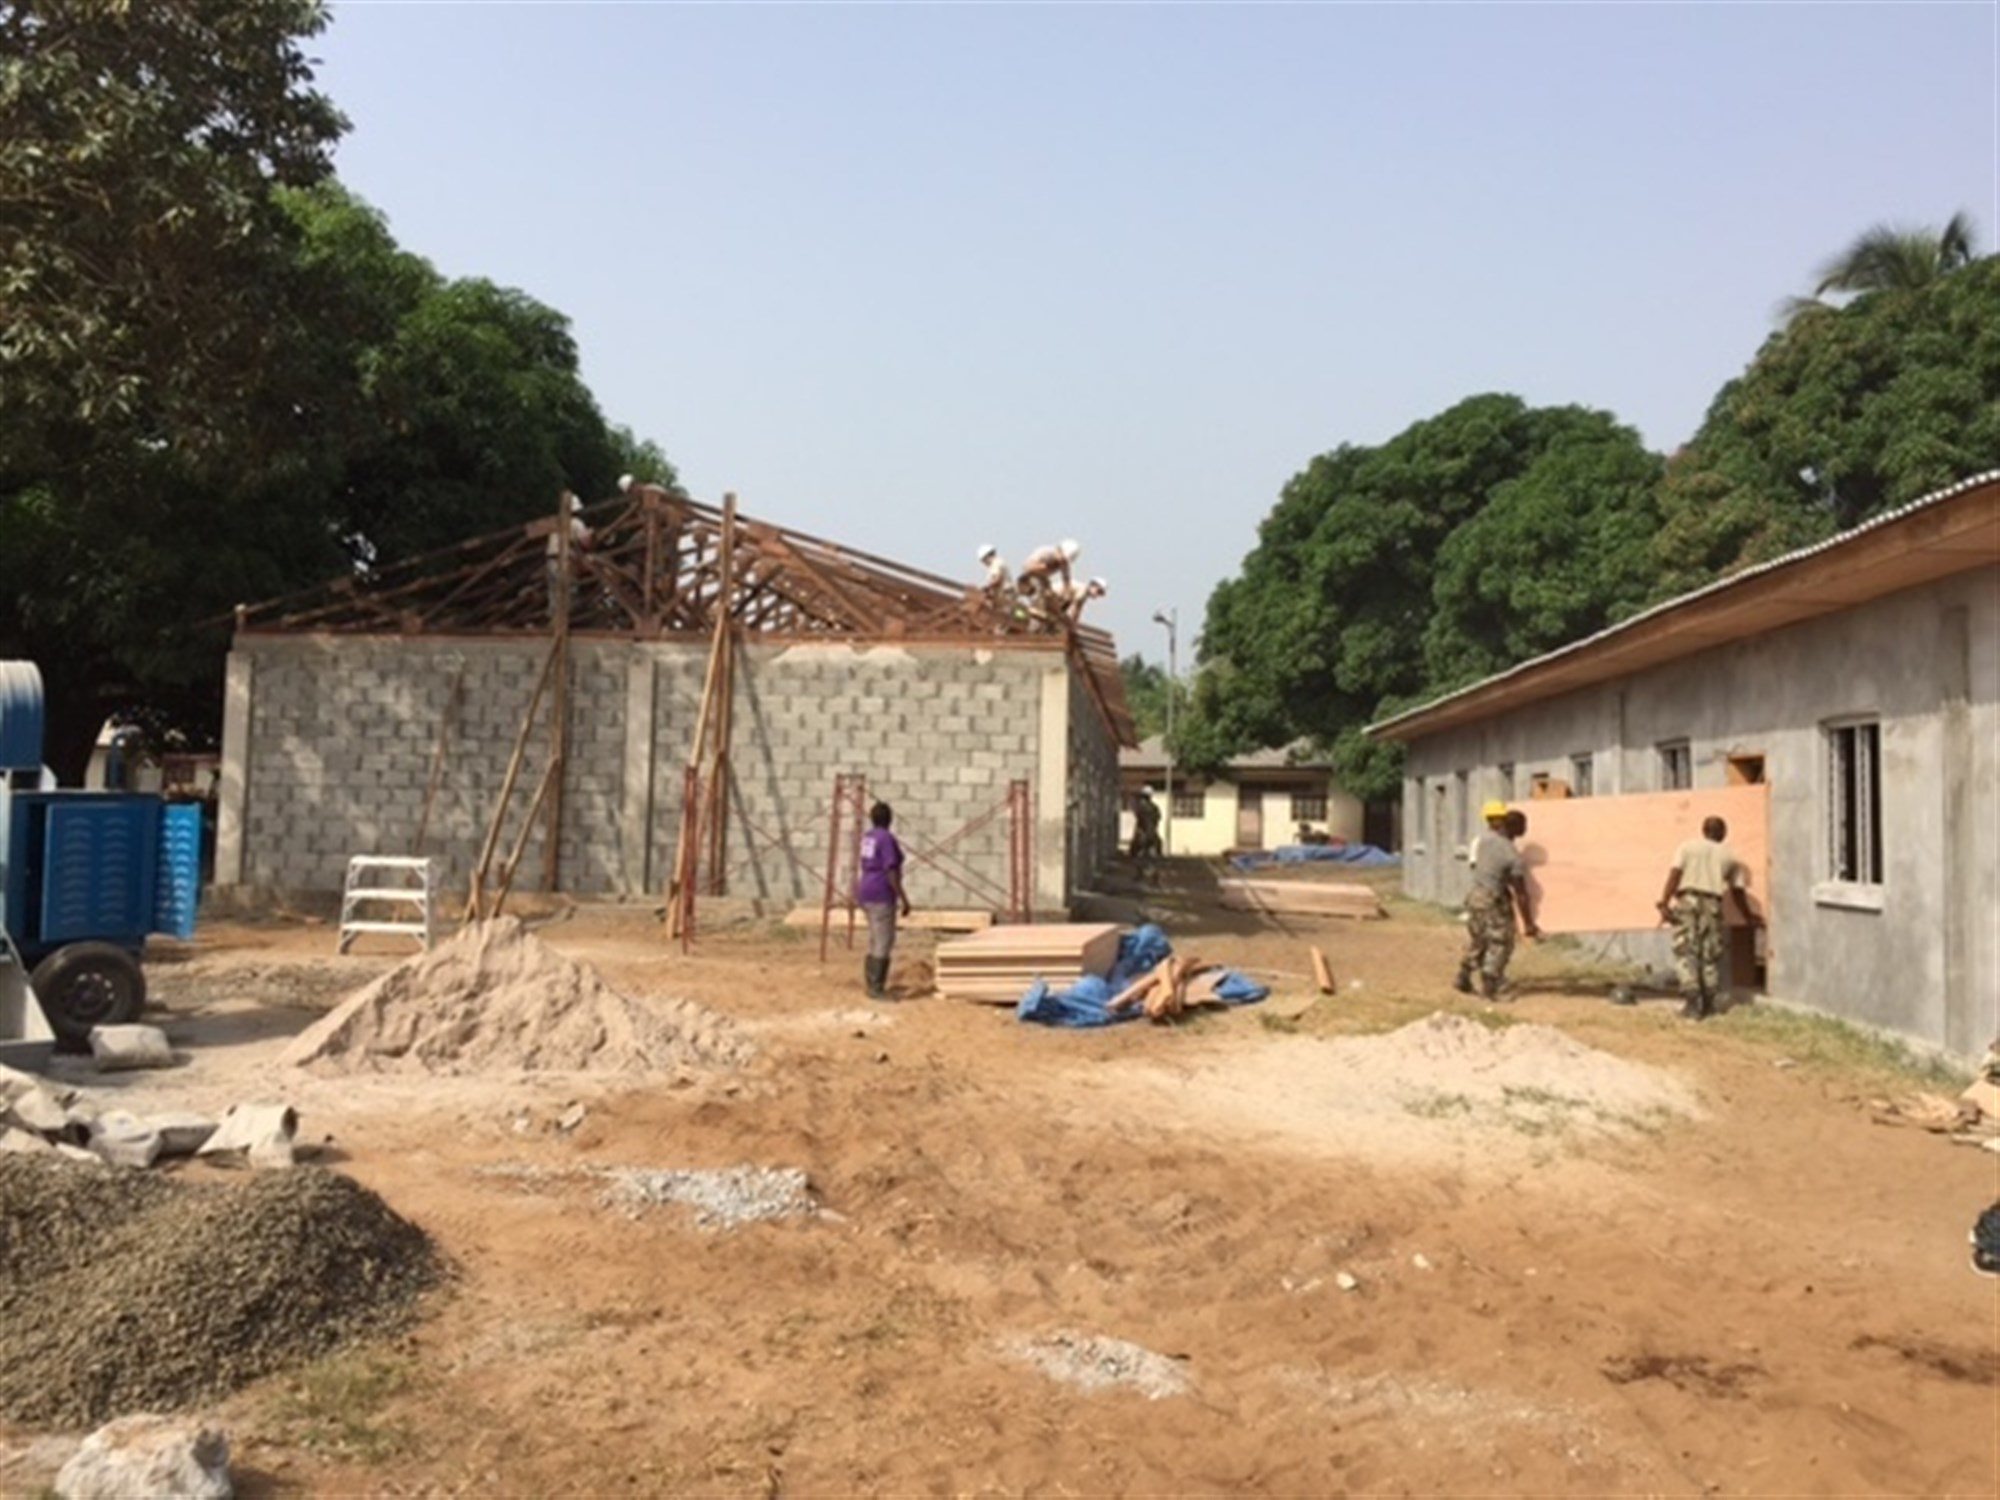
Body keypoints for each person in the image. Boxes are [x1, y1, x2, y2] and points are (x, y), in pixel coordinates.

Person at [1657, 815, 1754, 1020]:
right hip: (1713, 905)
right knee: (1709, 953)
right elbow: (1738, 891)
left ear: (1703, 830)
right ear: (1723, 834)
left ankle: (1692, 1003)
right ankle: (1709, 1003)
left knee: (1686, 951)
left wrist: (1664, 902)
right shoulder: (1729, 856)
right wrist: (1748, 916)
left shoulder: (1687, 847)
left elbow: (1674, 875)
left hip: (1689, 901)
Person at [1454, 800, 1539, 1000]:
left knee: (1479, 940)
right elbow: (1521, 893)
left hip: (1475, 897)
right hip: (1492, 900)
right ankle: (1491, 987)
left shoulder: (1485, 840)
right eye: (1523, 825)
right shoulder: (1512, 855)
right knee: (1501, 943)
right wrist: (1528, 923)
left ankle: (1463, 976)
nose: (1526, 829)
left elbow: (1485, 868)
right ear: (1515, 828)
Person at [856, 801, 911, 999]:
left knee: (874, 937)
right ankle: (876, 987)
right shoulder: (886, 839)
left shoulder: (868, 837)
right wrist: (903, 898)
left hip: (865, 889)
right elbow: (891, 870)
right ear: (890, 819)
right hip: (881, 892)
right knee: (883, 940)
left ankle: (872, 982)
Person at [1130, 785, 1163, 864]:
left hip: (1143, 832)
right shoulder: (1154, 807)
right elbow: (1158, 818)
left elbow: (1138, 818)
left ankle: (1140, 871)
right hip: (1152, 832)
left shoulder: (1140, 807)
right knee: (1154, 851)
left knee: (1137, 852)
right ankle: (1152, 870)